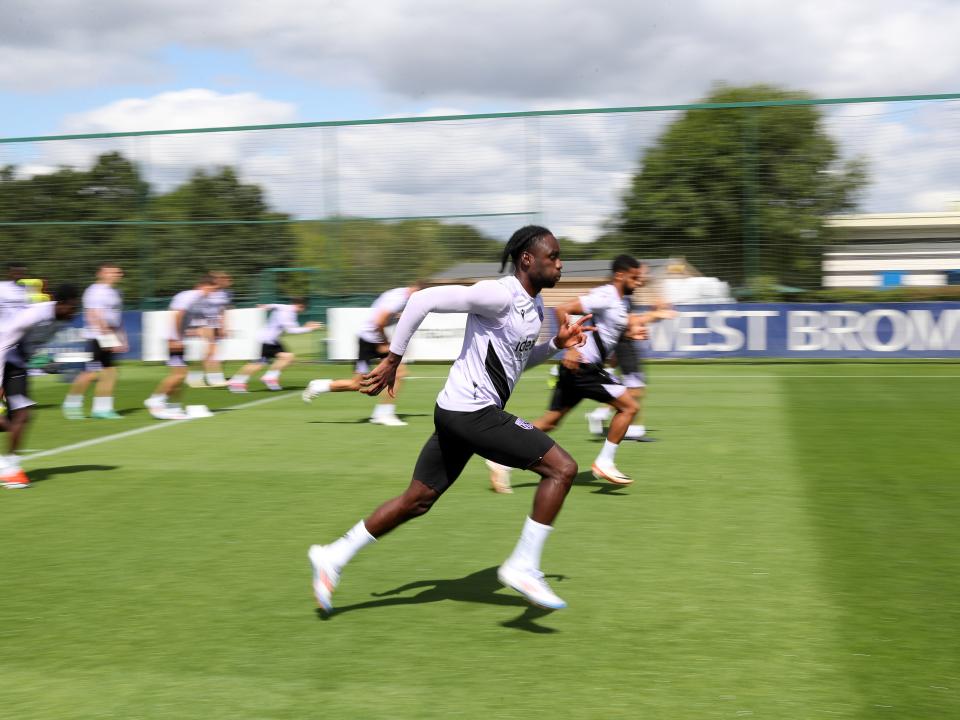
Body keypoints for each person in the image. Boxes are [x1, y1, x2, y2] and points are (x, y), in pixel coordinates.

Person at [307, 225, 593, 613]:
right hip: (472, 412)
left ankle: (333, 555)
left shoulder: (535, 306)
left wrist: (556, 345)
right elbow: (423, 300)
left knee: (418, 500)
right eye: (554, 258)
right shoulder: (497, 293)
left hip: (458, 412)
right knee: (562, 468)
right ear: (528, 260)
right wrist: (394, 358)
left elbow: (518, 362)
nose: (561, 265)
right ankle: (523, 565)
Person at [486, 254, 642, 493]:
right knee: (629, 406)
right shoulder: (607, 295)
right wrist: (569, 348)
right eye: (634, 277)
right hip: (583, 366)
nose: (638, 282)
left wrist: (616, 348)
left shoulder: (622, 302)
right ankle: (605, 462)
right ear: (620, 275)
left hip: (582, 367)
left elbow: (608, 334)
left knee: (551, 421)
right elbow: (563, 308)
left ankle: (501, 460)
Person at [302, 282, 423, 426]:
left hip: (370, 338)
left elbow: (380, 309)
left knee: (398, 374)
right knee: (358, 384)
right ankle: (320, 386)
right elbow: (379, 322)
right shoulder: (399, 300)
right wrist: (382, 343)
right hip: (370, 341)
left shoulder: (401, 293)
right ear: (416, 291)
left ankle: (382, 414)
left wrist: (396, 318)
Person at [0, 285, 80, 488]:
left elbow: (30, 347)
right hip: (3, 357)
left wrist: (44, 363)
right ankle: (10, 469)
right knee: (22, 415)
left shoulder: (60, 319)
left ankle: (8, 467)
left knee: (19, 416)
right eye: (72, 307)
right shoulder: (35, 314)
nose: (75, 312)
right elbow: (4, 340)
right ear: (61, 304)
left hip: (15, 364)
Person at [144, 275, 217, 420]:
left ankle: (174, 407)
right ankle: (155, 399)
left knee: (181, 375)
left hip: (178, 338)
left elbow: (204, 324)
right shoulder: (190, 296)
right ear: (204, 285)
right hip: (173, 338)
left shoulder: (200, 300)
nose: (213, 293)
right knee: (179, 374)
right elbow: (177, 315)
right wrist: (176, 338)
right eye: (212, 289)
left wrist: (210, 343)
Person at [62, 263, 127, 420]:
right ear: (101, 273)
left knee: (110, 373)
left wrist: (122, 338)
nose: (115, 275)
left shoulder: (116, 292)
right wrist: (109, 337)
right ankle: (71, 405)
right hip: (97, 336)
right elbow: (94, 315)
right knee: (90, 373)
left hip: (110, 334)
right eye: (111, 272)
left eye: (117, 272)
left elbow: (117, 317)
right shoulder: (95, 291)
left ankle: (102, 409)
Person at [228, 299, 321, 392]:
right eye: (305, 308)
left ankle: (268, 378)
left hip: (271, 340)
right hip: (266, 340)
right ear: (301, 306)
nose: (303, 311)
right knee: (259, 364)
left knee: (286, 357)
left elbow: (275, 305)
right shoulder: (287, 313)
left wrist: (266, 306)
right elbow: (291, 330)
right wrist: (308, 328)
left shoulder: (286, 307)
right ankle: (238, 382)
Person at [188, 271, 233, 388]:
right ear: (217, 280)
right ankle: (215, 379)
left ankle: (194, 377)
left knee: (209, 353)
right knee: (212, 350)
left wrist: (224, 326)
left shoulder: (226, 294)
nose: (229, 281)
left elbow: (222, 310)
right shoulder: (205, 289)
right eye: (226, 278)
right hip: (203, 321)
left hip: (215, 324)